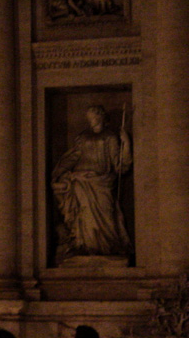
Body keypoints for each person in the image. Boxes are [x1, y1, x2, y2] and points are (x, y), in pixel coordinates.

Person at [51, 105, 132, 262]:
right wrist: (59, 171)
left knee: (107, 214)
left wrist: (126, 143)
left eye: (94, 116)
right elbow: (73, 157)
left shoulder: (110, 137)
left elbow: (119, 164)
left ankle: (108, 248)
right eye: (89, 117)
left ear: (101, 117)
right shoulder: (83, 137)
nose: (91, 120)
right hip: (81, 180)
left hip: (102, 182)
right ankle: (84, 245)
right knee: (84, 213)